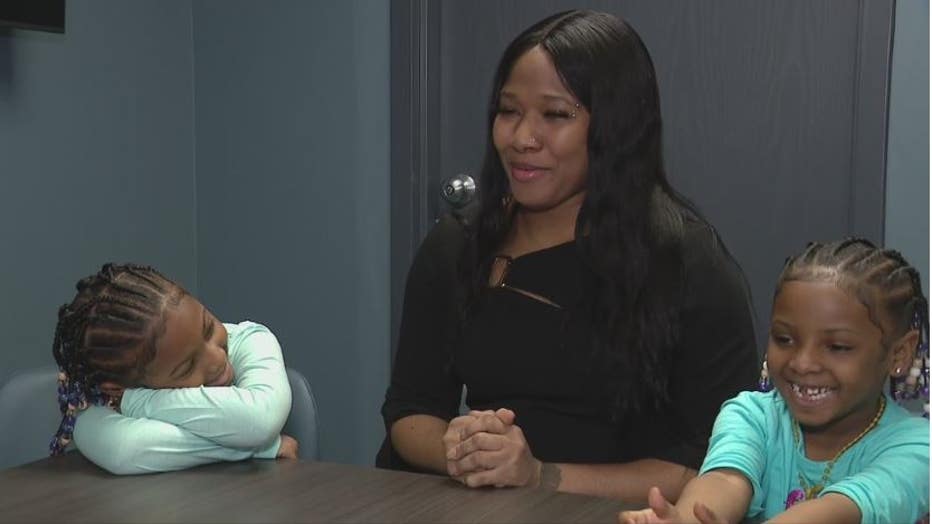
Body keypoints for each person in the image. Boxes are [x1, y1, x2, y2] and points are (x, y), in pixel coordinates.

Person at [378, 10, 758, 502]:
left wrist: (541, 476)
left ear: (616, 129)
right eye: (508, 110)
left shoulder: (686, 263)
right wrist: (462, 449)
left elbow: (716, 465)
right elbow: (410, 410)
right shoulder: (459, 245)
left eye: (555, 115)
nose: (520, 138)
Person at [619, 238, 930, 524]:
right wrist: (687, 519)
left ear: (899, 354)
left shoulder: (918, 446)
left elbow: (841, 509)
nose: (802, 362)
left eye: (837, 347)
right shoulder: (752, 416)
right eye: (785, 339)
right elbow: (725, 480)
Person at [50, 263, 297, 475]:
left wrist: (137, 401)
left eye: (209, 328)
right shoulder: (93, 403)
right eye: (187, 367)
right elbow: (126, 449)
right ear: (118, 387)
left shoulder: (251, 339)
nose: (216, 358)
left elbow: (258, 419)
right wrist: (260, 447)